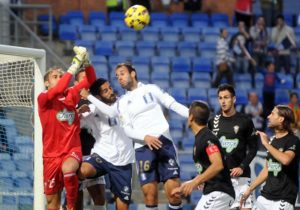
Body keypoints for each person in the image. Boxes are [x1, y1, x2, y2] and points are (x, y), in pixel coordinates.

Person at [37, 46, 96, 210]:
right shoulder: (43, 99)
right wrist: (74, 64)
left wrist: (87, 63)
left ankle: (70, 207)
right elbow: (58, 89)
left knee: (68, 169)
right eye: (55, 76)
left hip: (71, 149)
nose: (59, 78)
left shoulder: (71, 94)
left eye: (61, 76)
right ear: (46, 82)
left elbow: (90, 80)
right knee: (51, 204)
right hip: (50, 156)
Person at [79, 78, 135, 210]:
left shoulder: (122, 102)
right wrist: (78, 112)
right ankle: (71, 197)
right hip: (101, 156)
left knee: (122, 206)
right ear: (98, 96)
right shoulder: (92, 110)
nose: (111, 91)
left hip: (123, 161)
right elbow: (74, 124)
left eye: (110, 88)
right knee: (81, 171)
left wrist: (89, 97)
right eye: (106, 91)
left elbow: (112, 113)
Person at [172, 101, 235, 210]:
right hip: (214, 193)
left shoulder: (207, 138)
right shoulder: (201, 138)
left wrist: (195, 182)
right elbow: (208, 169)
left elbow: (218, 165)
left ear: (191, 117)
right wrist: (189, 184)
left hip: (219, 192)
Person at [207, 84, 258, 210]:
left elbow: (253, 148)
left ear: (234, 99)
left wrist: (242, 167)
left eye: (226, 97)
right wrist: (204, 175)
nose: (223, 101)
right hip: (221, 180)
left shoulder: (245, 121)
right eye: (220, 98)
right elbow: (207, 151)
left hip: (242, 179)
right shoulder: (213, 122)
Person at [240, 105, 299, 210]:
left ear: (281, 119)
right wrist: (250, 189)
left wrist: (267, 145)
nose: (268, 116)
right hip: (265, 197)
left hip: (283, 199)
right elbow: (267, 169)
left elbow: (286, 160)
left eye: (272, 114)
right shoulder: (273, 141)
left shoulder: (293, 140)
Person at [74, 70, 106, 210]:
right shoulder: (70, 99)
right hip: (74, 155)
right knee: (76, 200)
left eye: (88, 80)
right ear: (76, 83)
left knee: (100, 198)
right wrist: (77, 113)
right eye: (82, 79)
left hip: (93, 153)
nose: (86, 83)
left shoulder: (98, 100)